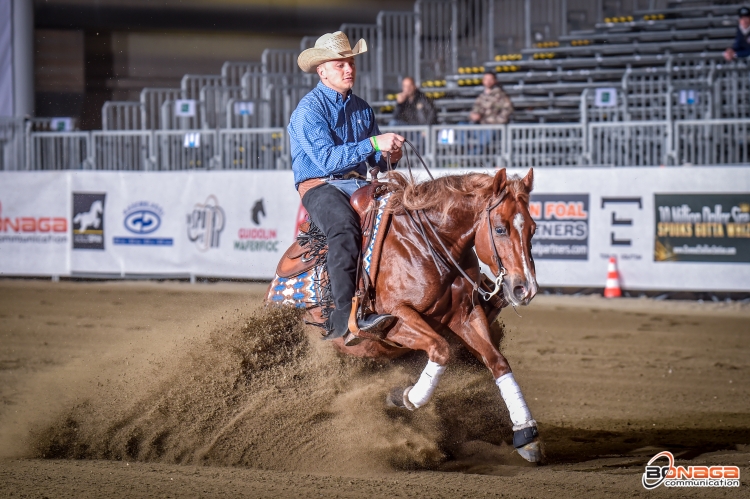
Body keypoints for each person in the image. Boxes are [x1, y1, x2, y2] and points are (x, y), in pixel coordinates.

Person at [288, 31, 403, 344]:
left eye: (350, 63)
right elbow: (326, 161)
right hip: (320, 186)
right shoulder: (308, 111)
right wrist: (373, 143)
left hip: (359, 183)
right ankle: (342, 316)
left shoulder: (363, 109)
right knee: (342, 228)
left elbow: (377, 162)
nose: (348, 69)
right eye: (340, 65)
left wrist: (389, 154)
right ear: (322, 71)